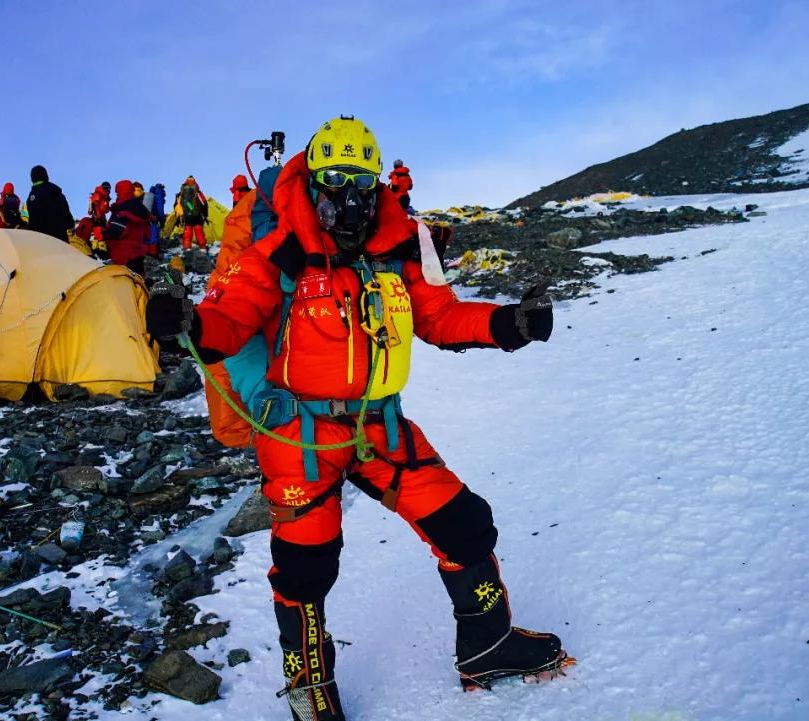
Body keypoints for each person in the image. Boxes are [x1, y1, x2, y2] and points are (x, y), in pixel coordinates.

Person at [146, 116, 563, 720]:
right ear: (312, 182)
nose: (348, 197)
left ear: (378, 186)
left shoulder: (399, 248)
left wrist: (507, 323)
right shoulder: (279, 250)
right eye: (334, 181)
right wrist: (187, 324)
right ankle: (308, 687)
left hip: (380, 426)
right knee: (306, 564)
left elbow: (439, 317)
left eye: (361, 183)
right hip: (299, 432)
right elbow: (232, 316)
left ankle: (488, 644)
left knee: (465, 524)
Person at [104, 180, 151, 276]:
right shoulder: (141, 209)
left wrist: (102, 233)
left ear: (120, 192)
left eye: (117, 193)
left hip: (122, 258)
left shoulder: (121, 208)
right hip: (138, 256)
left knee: (124, 287)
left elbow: (116, 231)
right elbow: (147, 235)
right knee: (138, 285)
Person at [26, 165, 74, 241]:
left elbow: (32, 218)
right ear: (45, 175)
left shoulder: (31, 197)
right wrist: (70, 223)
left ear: (32, 178)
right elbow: (65, 209)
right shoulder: (55, 191)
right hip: (59, 236)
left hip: (40, 238)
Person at [175, 176, 209, 251]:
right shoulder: (198, 192)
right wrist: (205, 215)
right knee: (199, 232)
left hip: (187, 216)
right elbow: (204, 204)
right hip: (197, 216)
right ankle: (202, 248)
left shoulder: (181, 194)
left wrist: (178, 218)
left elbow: (177, 206)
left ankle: (187, 248)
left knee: (187, 232)